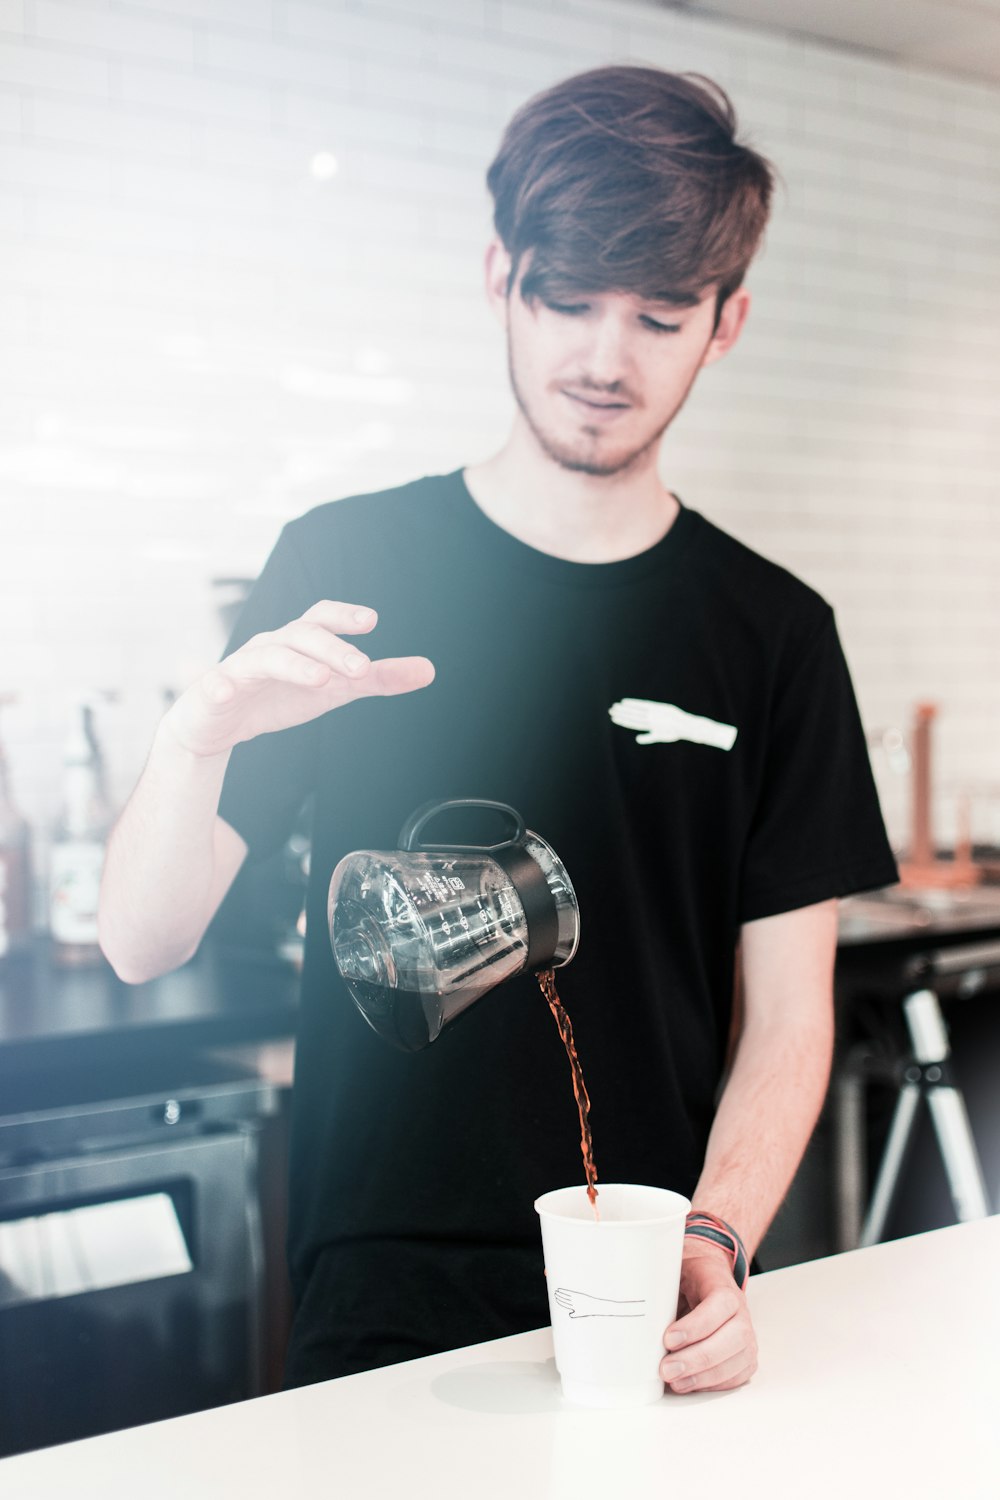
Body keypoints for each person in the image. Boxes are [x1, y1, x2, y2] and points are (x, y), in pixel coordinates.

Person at [99, 65, 898, 1398]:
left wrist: (717, 1234)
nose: (603, 356)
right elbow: (142, 940)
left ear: (727, 322)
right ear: (498, 276)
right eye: (565, 298)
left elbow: (788, 1016)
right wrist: (196, 740)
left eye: (658, 314)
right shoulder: (345, 561)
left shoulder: (775, 634)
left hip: (645, 1283)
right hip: (378, 1277)